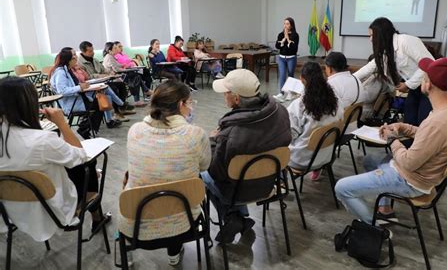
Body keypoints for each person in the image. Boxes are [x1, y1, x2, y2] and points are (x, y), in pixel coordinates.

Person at [335, 57, 447, 225]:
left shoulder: (438, 122)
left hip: (410, 180)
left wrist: (392, 140)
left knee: (342, 188)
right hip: (422, 174)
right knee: (370, 160)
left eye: (424, 76)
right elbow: (428, 136)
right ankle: (385, 210)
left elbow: (408, 162)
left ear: (428, 84)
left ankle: (375, 228)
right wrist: (403, 127)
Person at [0, 77, 109, 241]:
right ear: (29, 103)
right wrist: (62, 124)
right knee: (87, 164)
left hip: (10, 210)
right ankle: (97, 217)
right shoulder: (41, 140)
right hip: (50, 209)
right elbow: (81, 156)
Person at [119, 81, 211, 266]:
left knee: (128, 180)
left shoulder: (135, 130)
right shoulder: (195, 134)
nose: (191, 106)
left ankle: (121, 246)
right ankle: (174, 253)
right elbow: (204, 166)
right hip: (183, 224)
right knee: (181, 188)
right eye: (190, 102)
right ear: (180, 105)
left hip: (137, 226)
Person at [201, 69, 291, 243]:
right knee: (238, 171)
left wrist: (212, 141)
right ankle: (239, 218)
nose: (223, 96)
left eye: (226, 93)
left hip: (238, 192)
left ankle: (233, 217)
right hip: (270, 183)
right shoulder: (280, 112)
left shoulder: (231, 132)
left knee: (202, 174)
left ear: (236, 98)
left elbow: (216, 174)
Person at [354, 17, 434, 126]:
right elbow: (370, 67)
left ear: (382, 34)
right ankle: (412, 142)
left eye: (372, 35)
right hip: (415, 87)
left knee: (423, 122)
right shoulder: (387, 49)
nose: (371, 39)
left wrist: (408, 84)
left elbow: (429, 64)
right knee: (410, 120)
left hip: (431, 87)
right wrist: (350, 79)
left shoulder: (406, 41)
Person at [288, 62, 343, 181]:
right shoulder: (335, 100)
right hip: (326, 155)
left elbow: (289, 136)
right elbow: (341, 117)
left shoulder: (299, 105)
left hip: (302, 160)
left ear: (302, 79)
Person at [49, 47, 113, 139]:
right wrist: (80, 87)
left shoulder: (68, 70)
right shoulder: (61, 72)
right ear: (69, 59)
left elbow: (73, 85)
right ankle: (85, 128)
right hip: (71, 103)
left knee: (102, 101)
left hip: (78, 98)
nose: (76, 57)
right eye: (74, 55)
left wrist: (85, 85)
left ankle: (86, 128)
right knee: (99, 105)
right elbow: (62, 90)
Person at [78, 41, 136, 117]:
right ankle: (117, 111)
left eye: (93, 50)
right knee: (113, 88)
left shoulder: (94, 59)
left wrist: (110, 73)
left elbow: (103, 69)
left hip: (103, 81)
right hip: (93, 84)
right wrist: (102, 75)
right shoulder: (80, 63)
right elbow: (88, 76)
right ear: (83, 52)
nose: (93, 52)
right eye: (90, 51)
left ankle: (121, 108)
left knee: (121, 85)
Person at [103, 42, 151, 107]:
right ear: (110, 50)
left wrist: (123, 65)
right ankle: (144, 93)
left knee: (137, 76)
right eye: (115, 48)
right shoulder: (109, 57)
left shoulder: (112, 56)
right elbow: (116, 69)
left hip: (119, 75)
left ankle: (144, 92)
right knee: (136, 77)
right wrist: (126, 69)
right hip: (115, 77)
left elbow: (118, 65)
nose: (117, 49)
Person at [273, 17, 299, 103]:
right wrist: (282, 41)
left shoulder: (295, 35)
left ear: (291, 25)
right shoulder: (280, 34)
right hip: (281, 58)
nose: (285, 25)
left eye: (287, 24)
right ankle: (281, 93)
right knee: (282, 75)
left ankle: (290, 93)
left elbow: (294, 49)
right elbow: (277, 46)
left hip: (291, 58)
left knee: (290, 75)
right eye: (284, 23)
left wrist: (287, 38)